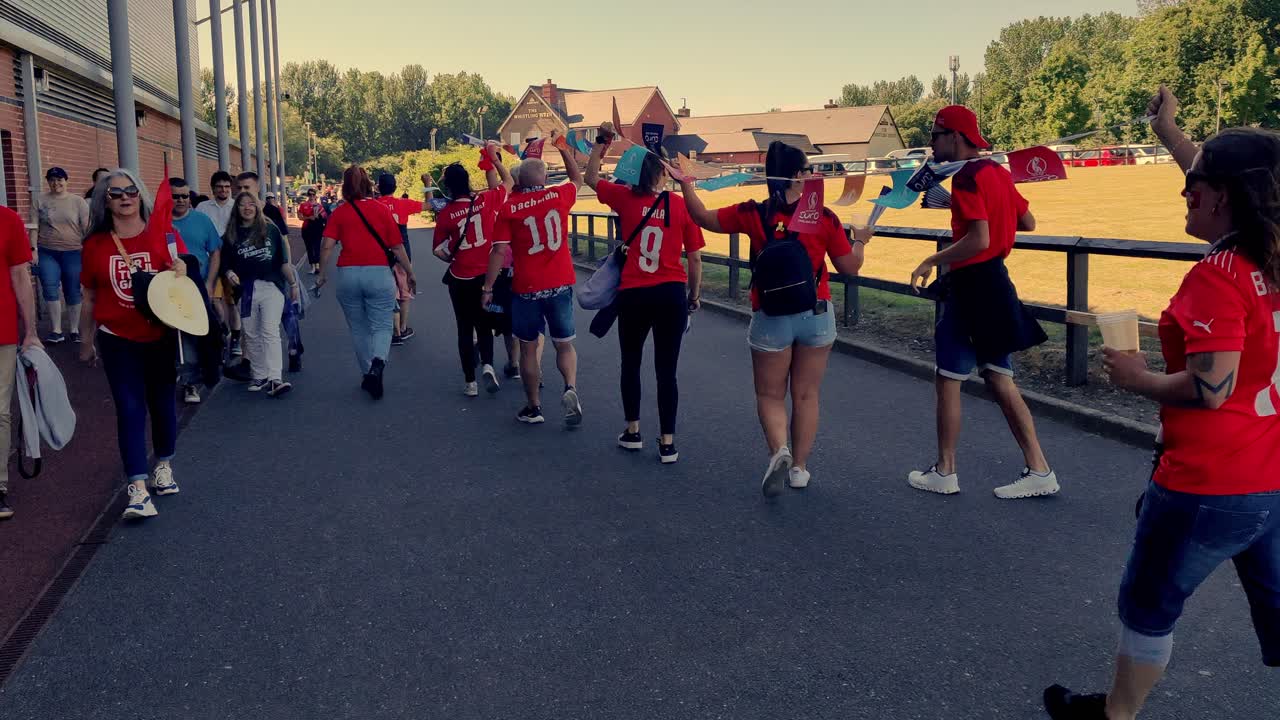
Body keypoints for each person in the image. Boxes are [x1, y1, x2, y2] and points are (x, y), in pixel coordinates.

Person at [1044, 88, 1280, 720]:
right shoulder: (1270, 254)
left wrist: (1136, 377)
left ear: (1224, 196)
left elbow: (1211, 388)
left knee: (1146, 605)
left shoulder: (1218, 276)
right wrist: (1171, 134)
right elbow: (1220, 178)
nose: (1184, 192)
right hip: (1268, 475)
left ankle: (1114, 714)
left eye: (1194, 186)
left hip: (1207, 481)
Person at [682, 141, 867, 494]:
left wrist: (686, 183)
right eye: (808, 170)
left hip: (770, 314)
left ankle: (778, 450)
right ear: (798, 176)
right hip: (815, 314)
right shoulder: (824, 218)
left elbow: (703, 217)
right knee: (807, 395)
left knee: (769, 394)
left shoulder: (753, 213)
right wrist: (860, 241)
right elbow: (849, 267)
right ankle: (799, 468)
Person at [905, 105, 1058, 500]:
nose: (931, 143)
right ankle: (1039, 468)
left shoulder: (968, 177)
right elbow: (1028, 223)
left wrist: (932, 260)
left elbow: (979, 240)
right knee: (997, 377)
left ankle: (945, 470)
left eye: (936, 135)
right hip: (995, 282)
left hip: (973, 285)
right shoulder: (997, 173)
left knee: (949, 378)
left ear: (955, 136)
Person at [586, 127, 705, 464]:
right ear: (663, 176)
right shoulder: (679, 205)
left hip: (635, 292)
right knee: (667, 370)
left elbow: (592, 178)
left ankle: (633, 430)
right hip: (670, 293)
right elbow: (694, 257)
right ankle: (668, 442)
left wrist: (601, 145)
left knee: (632, 363)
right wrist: (693, 295)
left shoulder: (625, 198)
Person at [78, 169, 190, 520]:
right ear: (104, 200)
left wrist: (183, 268)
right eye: (115, 193)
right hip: (116, 338)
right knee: (128, 407)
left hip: (159, 335)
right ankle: (138, 490)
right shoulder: (95, 244)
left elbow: (186, 274)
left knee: (161, 404)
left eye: (130, 191)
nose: (125, 197)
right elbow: (89, 296)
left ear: (140, 195)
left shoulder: (164, 233)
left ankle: (164, 465)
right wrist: (85, 339)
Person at [484, 132, 585, 426]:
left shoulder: (509, 208)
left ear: (520, 180)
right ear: (543, 178)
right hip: (560, 282)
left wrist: (488, 287)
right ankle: (570, 387)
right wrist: (564, 149)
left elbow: (499, 251)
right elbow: (577, 179)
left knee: (528, 347)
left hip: (527, 286)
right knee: (564, 344)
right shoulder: (559, 195)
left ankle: (534, 406)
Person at [316, 165, 416, 399]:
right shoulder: (381, 210)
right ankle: (378, 363)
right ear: (368, 185)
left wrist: (321, 273)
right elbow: (397, 246)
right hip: (379, 273)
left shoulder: (339, 213)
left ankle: (366, 373)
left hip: (348, 274)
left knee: (358, 328)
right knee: (381, 324)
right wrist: (410, 273)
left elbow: (327, 246)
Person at [433, 144, 513, 396]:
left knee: (464, 327)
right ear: (468, 181)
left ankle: (470, 381)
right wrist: (494, 160)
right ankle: (488, 364)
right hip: (487, 273)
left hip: (460, 276)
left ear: (448, 187)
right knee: (485, 323)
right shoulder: (486, 200)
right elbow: (508, 182)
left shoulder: (445, 215)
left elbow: (437, 249)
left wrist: (452, 258)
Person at [221, 192, 297, 397]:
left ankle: (275, 378)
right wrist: (229, 272)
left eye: (251, 204)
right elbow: (224, 262)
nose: (247, 208)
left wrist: (293, 285)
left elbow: (283, 261)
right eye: (242, 205)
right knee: (251, 333)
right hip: (245, 290)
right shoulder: (231, 234)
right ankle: (260, 374)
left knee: (269, 330)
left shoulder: (270, 229)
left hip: (271, 286)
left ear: (257, 207)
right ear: (236, 209)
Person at [0, 205, 44, 520]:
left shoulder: (7, 219)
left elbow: (20, 275)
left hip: (1, 330)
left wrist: (30, 330)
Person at [169, 177, 223, 404]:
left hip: (196, 289)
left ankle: (191, 382)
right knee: (171, 338)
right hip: (166, 290)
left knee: (192, 336)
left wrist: (210, 283)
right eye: (176, 196)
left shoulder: (202, 221)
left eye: (185, 195)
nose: (181, 200)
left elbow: (215, 253)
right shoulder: (155, 223)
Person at [35, 166, 90, 344]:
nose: (55, 183)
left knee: (73, 289)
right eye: (51, 179)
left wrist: (88, 249)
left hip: (73, 251)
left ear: (66, 181)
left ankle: (74, 329)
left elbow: (86, 227)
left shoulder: (77, 201)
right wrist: (32, 250)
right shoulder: (40, 200)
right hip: (47, 251)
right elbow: (34, 226)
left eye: (59, 179)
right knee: (50, 287)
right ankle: (56, 330)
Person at [373, 173, 429, 345]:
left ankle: (393, 330)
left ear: (378, 188)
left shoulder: (374, 206)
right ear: (395, 187)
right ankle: (403, 328)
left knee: (388, 292)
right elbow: (429, 205)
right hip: (403, 254)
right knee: (404, 292)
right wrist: (427, 184)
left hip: (381, 255)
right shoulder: (403, 204)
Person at [198, 170, 242, 357]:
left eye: (226, 187)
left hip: (231, 260)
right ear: (213, 189)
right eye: (219, 187)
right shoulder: (202, 208)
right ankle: (222, 330)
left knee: (232, 303)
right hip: (211, 260)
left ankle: (236, 339)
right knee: (213, 299)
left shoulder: (236, 206)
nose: (223, 190)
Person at [298, 187, 326, 274]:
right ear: (308, 195)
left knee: (317, 246)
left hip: (317, 228)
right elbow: (300, 217)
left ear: (315, 195)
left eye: (313, 194)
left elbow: (324, 216)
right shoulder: (303, 205)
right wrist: (308, 217)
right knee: (309, 248)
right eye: (310, 194)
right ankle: (312, 266)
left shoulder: (320, 206)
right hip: (307, 228)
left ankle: (317, 266)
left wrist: (319, 216)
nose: (312, 196)